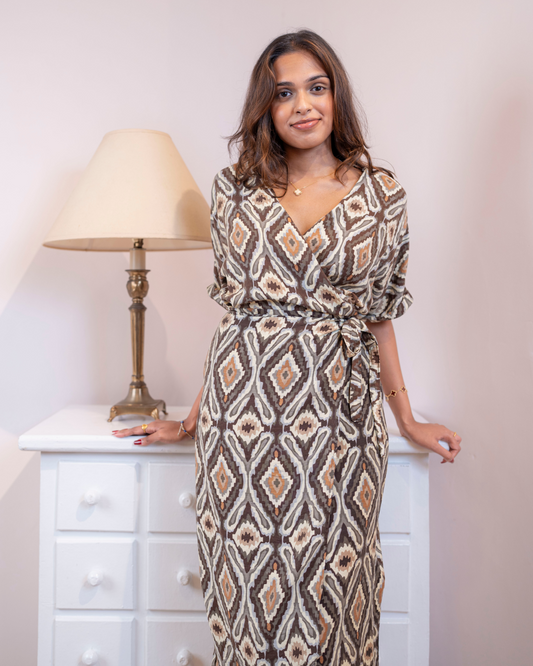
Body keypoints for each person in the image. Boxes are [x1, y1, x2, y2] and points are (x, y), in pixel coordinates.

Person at [113, 29, 461, 666]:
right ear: (265, 108)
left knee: (340, 590)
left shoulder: (383, 197)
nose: (303, 105)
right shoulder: (234, 192)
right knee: (247, 595)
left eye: (316, 88)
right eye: (283, 93)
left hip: (340, 419)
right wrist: (191, 420)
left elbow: (379, 316)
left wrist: (407, 418)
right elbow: (236, 320)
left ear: (336, 96)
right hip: (242, 424)